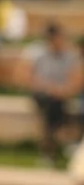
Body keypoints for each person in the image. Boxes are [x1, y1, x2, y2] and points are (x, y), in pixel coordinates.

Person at [29, 24, 82, 167]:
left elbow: (76, 81)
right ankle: (64, 141)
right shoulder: (37, 54)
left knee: (53, 107)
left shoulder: (70, 57)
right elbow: (30, 79)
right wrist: (52, 89)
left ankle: (49, 150)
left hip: (61, 95)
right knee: (51, 103)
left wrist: (63, 90)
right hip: (44, 95)